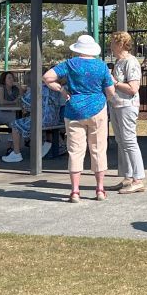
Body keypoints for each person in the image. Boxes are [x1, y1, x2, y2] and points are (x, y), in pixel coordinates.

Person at [44, 34, 115, 203]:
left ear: (77, 49)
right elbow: (111, 90)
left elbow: (47, 77)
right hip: (97, 109)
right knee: (98, 149)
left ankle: (75, 191)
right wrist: (106, 100)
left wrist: (62, 90)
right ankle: (99, 189)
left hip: (73, 109)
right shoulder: (101, 66)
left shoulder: (70, 64)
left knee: (75, 151)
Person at [107, 31, 146, 193]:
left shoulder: (131, 62)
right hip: (116, 105)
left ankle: (138, 179)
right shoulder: (119, 62)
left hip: (127, 105)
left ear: (120, 44)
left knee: (129, 141)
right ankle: (128, 177)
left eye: (112, 42)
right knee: (121, 141)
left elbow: (133, 88)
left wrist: (114, 82)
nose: (110, 45)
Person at [1, 78, 65, 163]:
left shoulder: (38, 88)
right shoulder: (57, 88)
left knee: (15, 124)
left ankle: (16, 153)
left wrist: (21, 90)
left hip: (43, 120)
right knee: (31, 121)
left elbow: (25, 104)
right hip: (55, 119)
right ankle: (47, 143)